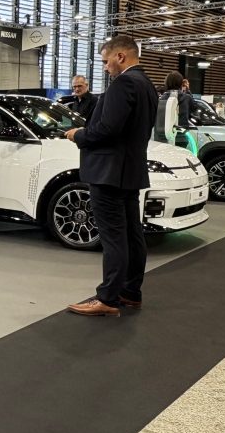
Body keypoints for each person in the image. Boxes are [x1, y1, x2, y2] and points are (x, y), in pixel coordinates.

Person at [64, 35, 158, 317]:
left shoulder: (125, 83)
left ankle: (107, 298)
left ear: (120, 57)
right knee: (131, 234)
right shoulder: (148, 85)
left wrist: (78, 134)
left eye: (106, 61)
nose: (105, 68)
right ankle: (130, 292)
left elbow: (107, 129)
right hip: (129, 171)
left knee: (114, 238)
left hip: (108, 173)